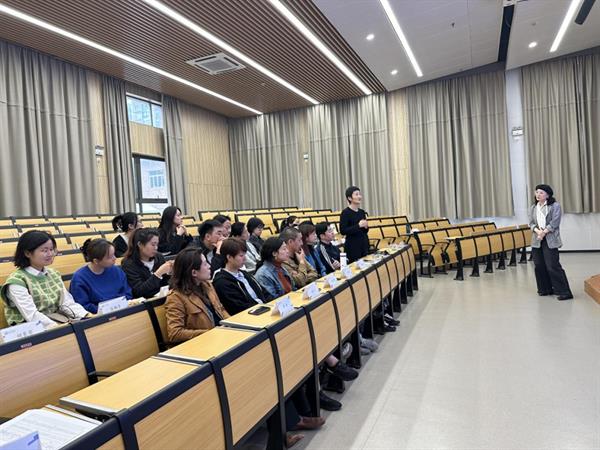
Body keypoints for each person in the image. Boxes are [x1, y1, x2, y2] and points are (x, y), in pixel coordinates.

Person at [255, 237, 357, 412]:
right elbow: (273, 302)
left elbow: (295, 288)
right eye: (283, 249)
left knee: (317, 331)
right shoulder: (264, 273)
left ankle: (332, 367)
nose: (287, 251)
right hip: (280, 324)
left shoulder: (281, 268)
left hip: (293, 316)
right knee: (308, 342)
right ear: (274, 253)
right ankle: (330, 368)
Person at [1, 230, 90, 328]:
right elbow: (32, 315)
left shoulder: (54, 273)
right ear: (27, 253)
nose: (50, 254)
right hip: (30, 328)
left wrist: (86, 315)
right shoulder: (16, 282)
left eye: (51, 249)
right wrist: (57, 328)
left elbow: (67, 303)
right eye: (44, 250)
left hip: (57, 321)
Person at [166, 248, 230, 343]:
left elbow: (221, 309)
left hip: (221, 336)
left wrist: (232, 324)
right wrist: (210, 333)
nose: (209, 266)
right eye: (205, 264)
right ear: (194, 272)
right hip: (204, 342)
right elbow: (175, 333)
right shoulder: (176, 297)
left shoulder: (207, 285)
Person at [528, 184, 573, 300]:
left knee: (552, 265)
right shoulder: (533, 207)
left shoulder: (555, 206)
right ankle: (545, 289)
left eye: (541, 192)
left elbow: (555, 222)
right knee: (539, 265)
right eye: (537, 192)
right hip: (537, 239)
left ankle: (564, 292)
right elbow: (531, 223)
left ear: (547, 195)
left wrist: (544, 232)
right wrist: (538, 231)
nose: (538, 194)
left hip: (550, 239)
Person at [70, 239, 132, 313]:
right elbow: (83, 306)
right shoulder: (79, 278)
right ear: (96, 261)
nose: (115, 258)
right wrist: (106, 309)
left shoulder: (117, 271)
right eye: (110, 257)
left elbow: (127, 293)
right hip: (97, 316)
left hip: (122, 310)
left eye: (114, 254)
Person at [213, 238, 268, 315]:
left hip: (264, 310)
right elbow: (240, 307)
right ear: (229, 257)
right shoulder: (222, 282)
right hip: (251, 316)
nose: (245, 258)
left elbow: (265, 293)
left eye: (244, 254)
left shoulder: (245, 274)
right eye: (241, 255)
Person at [122, 228, 173, 298]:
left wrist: (171, 273)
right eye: (153, 244)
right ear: (140, 245)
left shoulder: (159, 257)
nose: (156, 248)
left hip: (162, 297)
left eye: (157, 244)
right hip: (145, 301)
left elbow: (166, 282)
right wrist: (158, 274)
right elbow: (138, 291)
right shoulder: (128, 264)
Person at [340, 186, 369, 263]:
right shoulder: (345, 213)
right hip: (353, 246)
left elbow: (365, 231)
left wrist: (366, 227)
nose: (359, 196)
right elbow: (343, 231)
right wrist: (358, 226)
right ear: (349, 198)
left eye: (359, 194)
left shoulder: (362, 212)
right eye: (356, 194)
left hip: (363, 245)